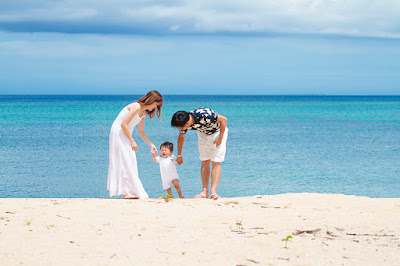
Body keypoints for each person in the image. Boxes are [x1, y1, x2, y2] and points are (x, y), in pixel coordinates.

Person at [107, 90, 163, 199]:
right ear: (151, 100)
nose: (155, 108)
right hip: (118, 133)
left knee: (130, 160)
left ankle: (128, 191)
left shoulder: (144, 113)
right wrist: (132, 141)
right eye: (156, 105)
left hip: (125, 134)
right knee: (125, 160)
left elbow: (141, 132)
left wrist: (151, 144)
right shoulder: (136, 106)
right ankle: (126, 192)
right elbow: (123, 124)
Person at [171, 107, 228, 200]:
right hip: (203, 133)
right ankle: (204, 191)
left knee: (216, 161)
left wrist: (220, 138)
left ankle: (213, 192)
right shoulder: (185, 120)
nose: (180, 129)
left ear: (187, 123)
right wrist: (179, 155)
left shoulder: (206, 116)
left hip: (218, 132)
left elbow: (223, 120)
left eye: (180, 127)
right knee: (204, 161)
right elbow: (181, 137)